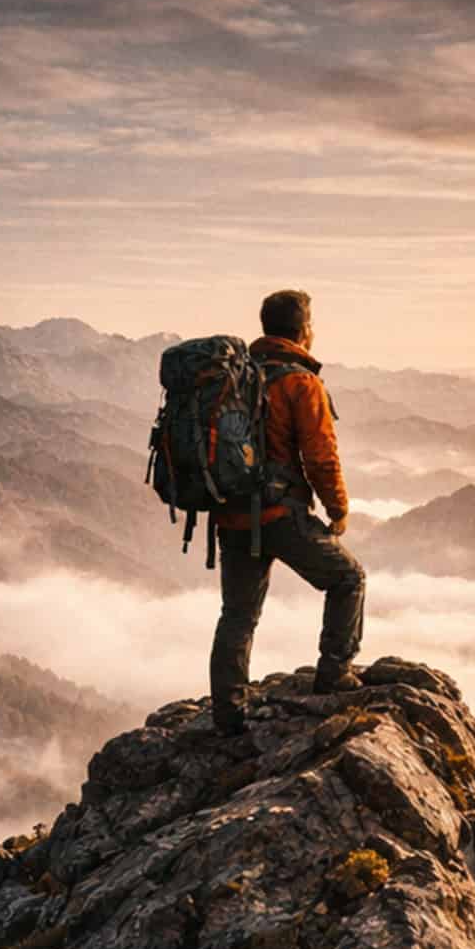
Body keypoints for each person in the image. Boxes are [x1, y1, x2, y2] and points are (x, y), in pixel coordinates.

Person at [210, 288, 364, 734]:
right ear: (303, 330)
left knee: (237, 615)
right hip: (280, 515)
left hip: (233, 515)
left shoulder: (236, 377)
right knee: (348, 579)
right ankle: (335, 672)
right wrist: (338, 509)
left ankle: (228, 714)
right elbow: (320, 456)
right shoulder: (300, 382)